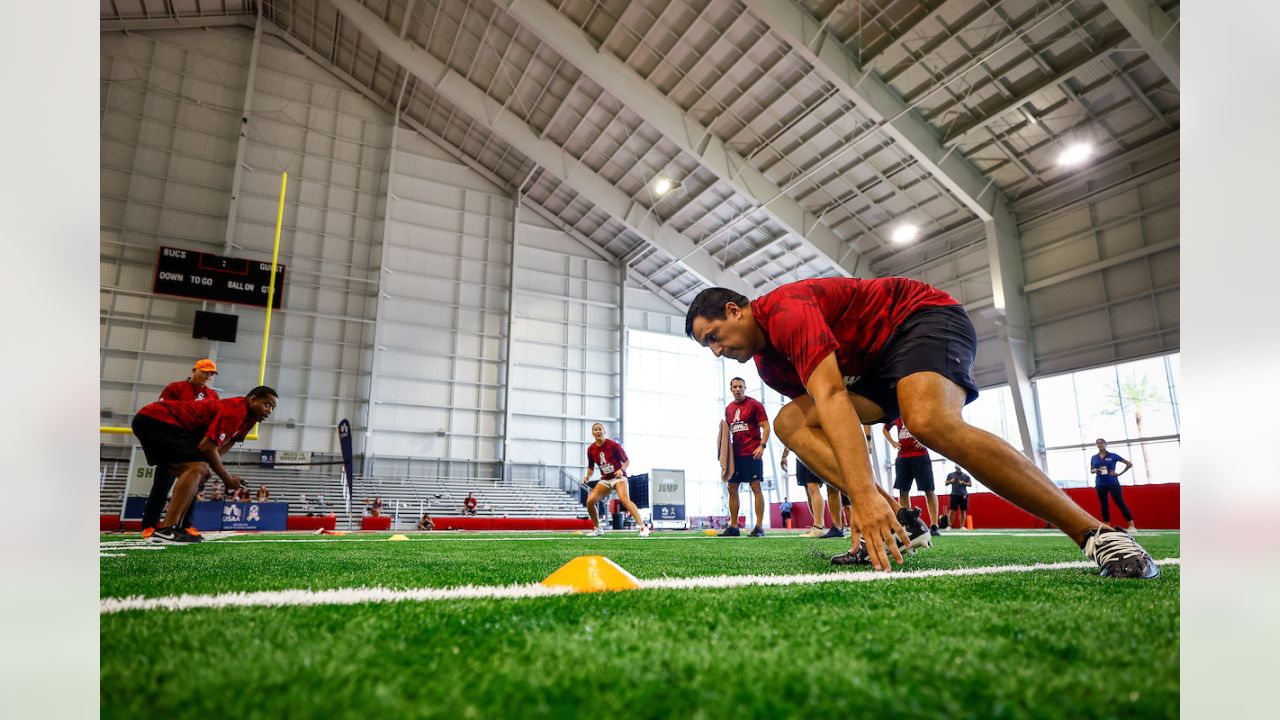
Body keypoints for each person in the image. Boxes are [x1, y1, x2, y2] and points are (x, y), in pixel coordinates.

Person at [685, 278, 1158, 578]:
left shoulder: (786, 310)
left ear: (735, 310)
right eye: (707, 347)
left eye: (714, 337)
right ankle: (900, 522)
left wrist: (862, 498)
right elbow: (830, 422)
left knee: (929, 421)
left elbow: (831, 397)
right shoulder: (769, 367)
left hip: (920, 320)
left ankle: (1097, 534)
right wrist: (866, 506)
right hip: (874, 369)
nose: (716, 351)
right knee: (792, 421)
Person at [130, 385, 278, 544]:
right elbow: (207, 446)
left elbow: (220, 447)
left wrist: (211, 468)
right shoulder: (236, 410)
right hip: (157, 418)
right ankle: (167, 528)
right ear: (253, 400)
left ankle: (175, 527)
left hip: (157, 421)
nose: (270, 410)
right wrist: (226, 478)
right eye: (267, 404)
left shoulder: (249, 420)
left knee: (200, 470)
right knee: (197, 467)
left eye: (273, 407)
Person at [140, 358, 221, 539]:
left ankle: (186, 525)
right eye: (204, 371)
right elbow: (161, 411)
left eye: (211, 373)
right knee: (161, 485)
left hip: (193, 445)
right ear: (194, 370)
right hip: (172, 443)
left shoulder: (213, 395)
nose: (208, 376)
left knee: (192, 487)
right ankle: (149, 525)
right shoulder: (174, 388)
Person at [581, 422, 650, 537]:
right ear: (593, 433)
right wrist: (587, 476)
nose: (598, 431)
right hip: (605, 480)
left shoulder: (613, 445)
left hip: (619, 478)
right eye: (595, 430)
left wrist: (621, 470)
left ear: (604, 432)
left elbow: (627, 462)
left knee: (624, 499)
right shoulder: (591, 449)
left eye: (600, 429)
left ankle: (643, 527)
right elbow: (591, 467)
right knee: (590, 501)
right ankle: (597, 528)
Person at [722, 377, 771, 536]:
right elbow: (725, 433)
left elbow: (766, 426)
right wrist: (724, 454)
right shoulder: (729, 408)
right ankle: (734, 526)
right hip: (735, 455)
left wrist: (762, 445)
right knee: (732, 488)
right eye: (734, 387)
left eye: (740, 386)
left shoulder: (755, 405)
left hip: (752, 453)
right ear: (731, 389)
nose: (737, 389)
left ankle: (759, 527)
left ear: (745, 388)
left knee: (755, 486)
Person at [884, 418, 940, 536]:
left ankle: (934, 525)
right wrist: (893, 442)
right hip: (903, 457)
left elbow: (934, 424)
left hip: (921, 455)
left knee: (929, 490)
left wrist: (926, 441)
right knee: (903, 490)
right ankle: (908, 523)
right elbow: (885, 429)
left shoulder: (917, 412)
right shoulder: (896, 415)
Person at [781, 446, 828, 537]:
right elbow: (791, 437)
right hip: (800, 455)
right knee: (808, 491)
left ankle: (819, 526)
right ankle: (818, 526)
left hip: (813, 452)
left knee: (813, 486)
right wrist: (784, 456)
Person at [1091, 438, 1137, 531]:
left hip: (1113, 483)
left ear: (1105, 444)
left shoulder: (1113, 455)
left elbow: (1129, 464)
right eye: (1098, 443)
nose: (1100, 444)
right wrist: (1095, 470)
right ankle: (1107, 525)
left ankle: (1131, 525)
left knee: (1120, 503)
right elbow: (1091, 470)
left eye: (1102, 442)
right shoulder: (1094, 457)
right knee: (1104, 505)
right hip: (1100, 483)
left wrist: (1119, 473)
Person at [945, 465, 973, 530]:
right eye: (956, 468)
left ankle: (962, 526)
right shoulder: (950, 475)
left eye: (959, 468)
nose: (957, 469)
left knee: (963, 511)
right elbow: (946, 483)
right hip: (954, 494)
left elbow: (970, 484)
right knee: (952, 510)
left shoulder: (966, 475)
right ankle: (949, 526)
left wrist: (962, 482)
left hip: (963, 495)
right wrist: (951, 481)